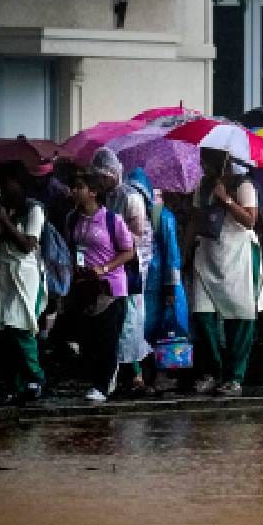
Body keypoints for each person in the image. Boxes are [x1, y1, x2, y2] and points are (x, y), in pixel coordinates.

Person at [187, 150, 263, 397]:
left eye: (207, 161)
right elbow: (195, 220)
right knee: (203, 316)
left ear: (222, 160)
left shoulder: (244, 186)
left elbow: (250, 221)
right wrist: (184, 253)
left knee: (239, 316)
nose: (204, 166)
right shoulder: (202, 187)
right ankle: (213, 371)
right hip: (207, 255)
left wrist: (226, 199)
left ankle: (234, 376)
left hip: (237, 257)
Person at [66, 171, 135, 402]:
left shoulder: (112, 220)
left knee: (107, 338)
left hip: (111, 288)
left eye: (79, 187)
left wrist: (104, 268)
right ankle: (101, 379)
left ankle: (103, 385)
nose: (74, 191)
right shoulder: (73, 219)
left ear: (93, 192)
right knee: (89, 338)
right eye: (74, 187)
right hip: (86, 288)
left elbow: (129, 251)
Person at [91, 147, 152, 392]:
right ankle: (127, 373)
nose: (101, 181)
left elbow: (138, 235)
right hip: (112, 264)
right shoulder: (105, 198)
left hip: (130, 265)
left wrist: (115, 241)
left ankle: (132, 374)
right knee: (117, 321)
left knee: (129, 321)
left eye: (103, 176)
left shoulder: (130, 198)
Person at [0, 162, 47, 403]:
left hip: (25, 276)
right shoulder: (2, 208)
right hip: (2, 274)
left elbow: (27, 244)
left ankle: (35, 377)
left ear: (18, 182)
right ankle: (14, 383)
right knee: (5, 329)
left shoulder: (34, 209)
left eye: (6, 181)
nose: (2, 187)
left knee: (21, 325)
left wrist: (6, 222)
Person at [132, 169, 188, 392]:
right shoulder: (137, 215)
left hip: (160, 284)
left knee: (161, 329)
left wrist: (171, 287)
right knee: (143, 329)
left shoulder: (163, 217)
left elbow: (172, 254)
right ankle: (147, 375)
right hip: (144, 282)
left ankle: (162, 374)